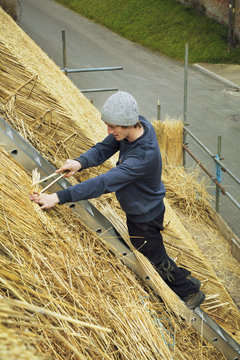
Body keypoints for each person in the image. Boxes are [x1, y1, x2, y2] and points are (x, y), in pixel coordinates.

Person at [30, 91, 205, 309]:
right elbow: (104, 148)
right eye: (108, 125)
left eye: (113, 127)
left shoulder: (142, 157)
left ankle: (190, 293)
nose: (109, 131)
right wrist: (80, 162)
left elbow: (102, 183)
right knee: (156, 251)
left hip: (144, 217)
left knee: (154, 257)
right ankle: (187, 278)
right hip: (145, 208)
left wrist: (58, 196)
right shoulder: (138, 127)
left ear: (128, 124)